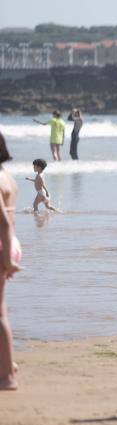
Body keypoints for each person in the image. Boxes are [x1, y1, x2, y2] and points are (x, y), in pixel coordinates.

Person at [0, 132, 22, 391]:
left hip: (3, 247)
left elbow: (3, 223)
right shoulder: (9, 177)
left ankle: (7, 377)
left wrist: (7, 260)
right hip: (12, 244)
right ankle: (8, 363)